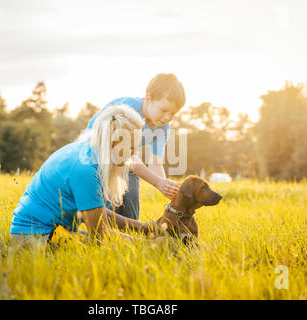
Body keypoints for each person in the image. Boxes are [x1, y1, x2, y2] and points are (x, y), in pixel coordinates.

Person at [9, 105, 157, 246]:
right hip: (33, 237)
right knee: (100, 246)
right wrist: (150, 245)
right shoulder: (86, 169)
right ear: (112, 143)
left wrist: (145, 228)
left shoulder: (88, 150)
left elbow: (95, 209)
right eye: (130, 148)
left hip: (49, 232)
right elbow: (101, 236)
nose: (134, 153)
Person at [87, 73, 186, 220]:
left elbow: (155, 163)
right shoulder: (129, 111)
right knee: (109, 204)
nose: (167, 117)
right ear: (148, 99)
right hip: (99, 156)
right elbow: (126, 156)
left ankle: (129, 236)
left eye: (172, 113)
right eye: (164, 110)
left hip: (127, 161)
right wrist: (158, 182)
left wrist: (166, 187)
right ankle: (103, 236)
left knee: (131, 202)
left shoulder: (163, 127)